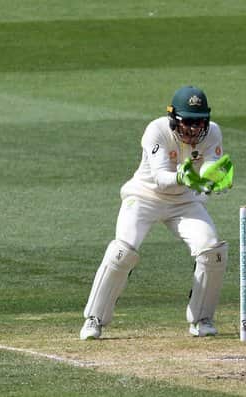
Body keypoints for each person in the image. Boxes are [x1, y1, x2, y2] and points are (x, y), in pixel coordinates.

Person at [79, 85, 234, 340]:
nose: (194, 129)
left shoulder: (213, 132)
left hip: (184, 202)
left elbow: (208, 170)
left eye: (200, 122)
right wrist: (185, 177)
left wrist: (214, 180)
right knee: (122, 251)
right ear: (174, 119)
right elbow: (161, 178)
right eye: (188, 122)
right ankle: (95, 319)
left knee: (212, 250)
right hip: (144, 196)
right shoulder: (157, 130)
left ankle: (202, 319)